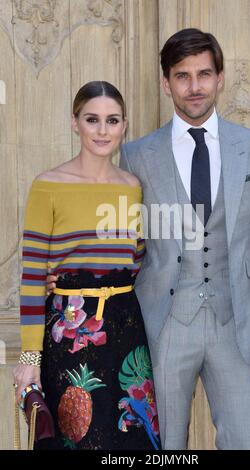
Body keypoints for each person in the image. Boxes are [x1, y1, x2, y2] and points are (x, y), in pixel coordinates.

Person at [47, 29, 250, 450]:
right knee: (162, 450)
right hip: (163, 326)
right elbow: (120, 231)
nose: (194, 87)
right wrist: (70, 278)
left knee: (246, 442)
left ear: (219, 78)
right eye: (182, 76)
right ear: (166, 83)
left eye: (204, 74)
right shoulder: (139, 154)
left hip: (240, 326)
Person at [13, 81, 161, 450]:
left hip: (127, 329)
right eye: (92, 119)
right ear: (74, 122)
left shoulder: (133, 188)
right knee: (78, 438)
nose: (102, 130)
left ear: (124, 125)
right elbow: (32, 276)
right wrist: (30, 358)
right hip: (70, 333)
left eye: (112, 121)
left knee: (131, 441)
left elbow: (138, 257)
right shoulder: (48, 185)